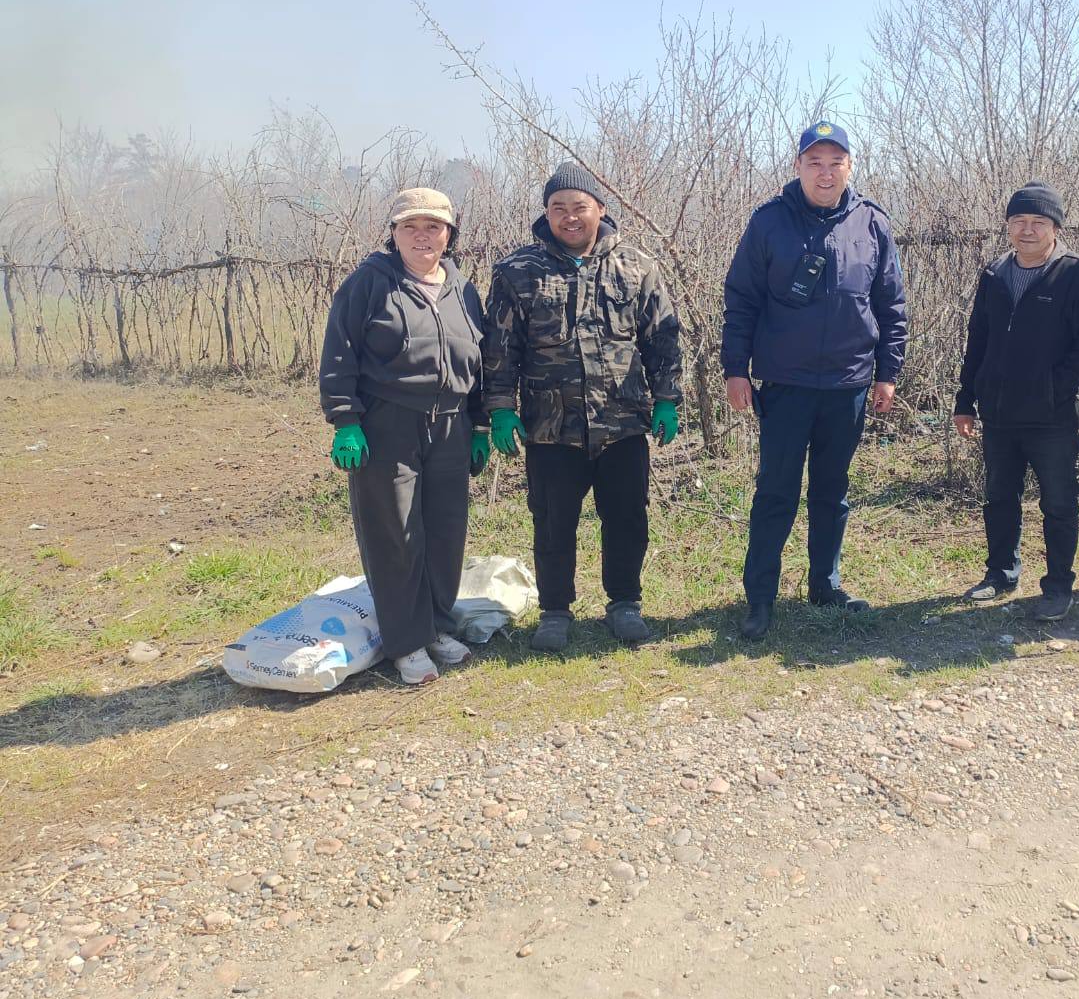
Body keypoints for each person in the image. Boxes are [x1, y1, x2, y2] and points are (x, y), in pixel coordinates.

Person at [482, 162, 682, 651]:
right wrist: (501, 409)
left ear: (600, 209)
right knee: (553, 522)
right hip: (551, 428)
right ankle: (555, 610)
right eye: (558, 209)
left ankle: (624, 604)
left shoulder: (637, 266)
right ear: (546, 214)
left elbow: (663, 338)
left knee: (628, 518)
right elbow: (500, 348)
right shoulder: (517, 272)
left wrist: (668, 400)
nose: (570, 218)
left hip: (622, 423)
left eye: (579, 208)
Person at [722, 121, 909, 641]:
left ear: (850, 166)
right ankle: (760, 597)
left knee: (833, 492)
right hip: (785, 385)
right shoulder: (768, 223)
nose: (825, 173)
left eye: (835, 162)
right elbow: (741, 299)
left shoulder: (871, 223)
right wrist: (736, 368)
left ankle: (824, 584)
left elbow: (891, 305)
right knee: (776, 493)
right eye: (814, 162)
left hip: (848, 384)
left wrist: (887, 373)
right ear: (798, 166)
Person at [319, 187, 491, 685]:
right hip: (388, 424)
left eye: (433, 227)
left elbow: (481, 364)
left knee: (444, 529)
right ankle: (406, 641)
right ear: (393, 234)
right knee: (394, 533)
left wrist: (479, 424)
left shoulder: (464, 289)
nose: (423, 236)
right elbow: (339, 354)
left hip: (451, 425)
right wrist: (345, 421)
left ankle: (436, 625)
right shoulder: (369, 283)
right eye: (410, 227)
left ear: (449, 235)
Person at [953, 181, 1079, 621]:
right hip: (999, 412)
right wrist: (966, 399)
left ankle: (1058, 585)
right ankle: (1001, 573)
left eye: (1038, 222)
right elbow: (977, 341)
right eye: (1019, 221)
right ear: (1007, 226)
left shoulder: (1077, 274)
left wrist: (1053, 386)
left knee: (1059, 502)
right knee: (999, 496)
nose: (1027, 230)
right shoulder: (994, 274)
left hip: (1050, 414)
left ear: (1055, 228)